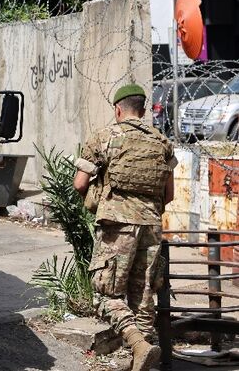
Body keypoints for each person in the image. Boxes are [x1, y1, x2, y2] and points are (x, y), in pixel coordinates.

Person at [73, 84, 177, 371]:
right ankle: (141, 362)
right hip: (152, 225)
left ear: (118, 109)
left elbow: (80, 183)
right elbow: (169, 195)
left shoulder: (106, 137)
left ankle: (138, 344)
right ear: (143, 111)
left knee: (104, 295)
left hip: (116, 225)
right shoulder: (162, 142)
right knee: (143, 298)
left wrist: (98, 202)